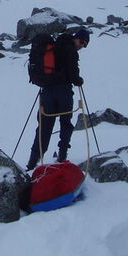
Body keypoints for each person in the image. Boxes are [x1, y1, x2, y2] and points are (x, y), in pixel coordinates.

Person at [26, 27, 90, 170]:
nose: (82, 46)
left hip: (47, 92)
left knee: (44, 127)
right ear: (75, 38)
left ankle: (32, 162)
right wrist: (79, 80)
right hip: (64, 93)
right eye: (82, 42)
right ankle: (62, 156)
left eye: (84, 44)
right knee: (65, 123)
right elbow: (73, 76)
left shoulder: (54, 46)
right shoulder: (71, 50)